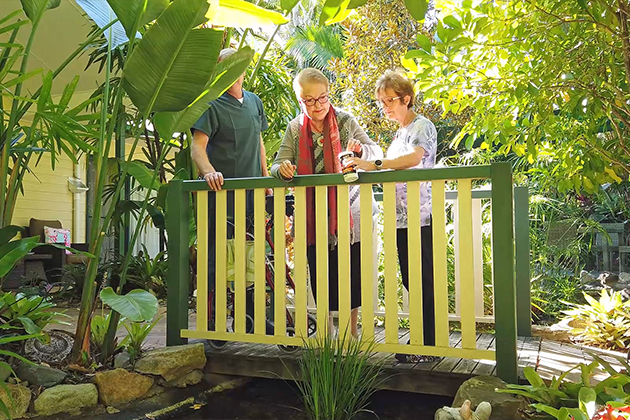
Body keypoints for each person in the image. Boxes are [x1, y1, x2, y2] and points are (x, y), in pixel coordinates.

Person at [270, 68, 383, 338]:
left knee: (351, 274)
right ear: (300, 100)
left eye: (322, 98)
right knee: (321, 273)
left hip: (349, 213)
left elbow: (375, 152)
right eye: (309, 100)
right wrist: (282, 168)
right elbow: (276, 164)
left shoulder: (345, 120)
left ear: (329, 95)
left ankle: (350, 333)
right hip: (313, 215)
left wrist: (360, 152)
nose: (318, 105)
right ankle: (328, 332)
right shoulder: (296, 128)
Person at [346, 70, 438, 363]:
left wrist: (375, 163)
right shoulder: (399, 133)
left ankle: (428, 345)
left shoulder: (422, 126)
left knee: (423, 279)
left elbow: (414, 160)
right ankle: (421, 342)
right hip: (401, 218)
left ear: (406, 99)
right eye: (381, 101)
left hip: (420, 216)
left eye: (389, 100)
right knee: (412, 280)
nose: (384, 106)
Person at [191, 48, 270, 335]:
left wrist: (265, 180)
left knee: (252, 254)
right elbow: (197, 148)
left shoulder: (254, 102)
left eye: (238, 65)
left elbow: (259, 143)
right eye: (227, 65)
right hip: (221, 196)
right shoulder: (210, 104)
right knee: (218, 256)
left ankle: (249, 317)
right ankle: (214, 321)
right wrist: (209, 171)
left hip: (252, 195)